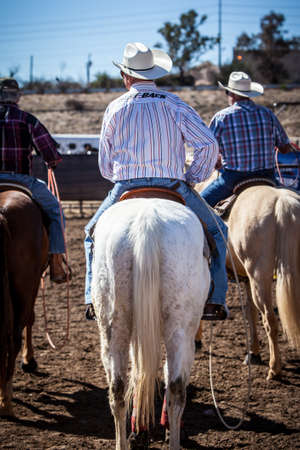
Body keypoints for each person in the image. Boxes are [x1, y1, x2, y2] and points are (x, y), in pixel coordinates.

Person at [84, 42, 229, 321]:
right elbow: (208, 145)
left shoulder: (115, 108)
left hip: (127, 186)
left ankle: (92, 298)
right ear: (154, 73)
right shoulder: (176, 104)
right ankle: (215, 299)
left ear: (126, 76)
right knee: (219, 233)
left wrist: (118, 177)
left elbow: (105, 162)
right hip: (173, 185)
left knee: (91, 234)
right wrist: (192, 177)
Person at [0, 77, 69, 283]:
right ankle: (56, 262)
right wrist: (52, 161)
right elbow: (51, 153)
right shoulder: (28, 120)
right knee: (55, 211)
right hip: (21, 180)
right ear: (17, 97)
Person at [201, 71, 294, 207]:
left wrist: (216, 162)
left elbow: (208, 151)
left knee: (199, 205)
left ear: (231, 94)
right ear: (249, 94)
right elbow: (285, 149)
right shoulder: (267, 114)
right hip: (267, 176)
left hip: (233, 178)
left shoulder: (222, 117)